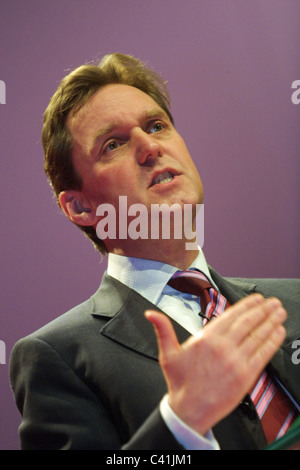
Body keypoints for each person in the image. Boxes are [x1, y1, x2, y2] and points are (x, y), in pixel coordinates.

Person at [9, 53, 300, 450]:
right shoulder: (57, 358)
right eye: (113, 144)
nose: (150, 146)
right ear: (79, 207)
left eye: (157, 125)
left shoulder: (293, 301)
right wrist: (182, 422)